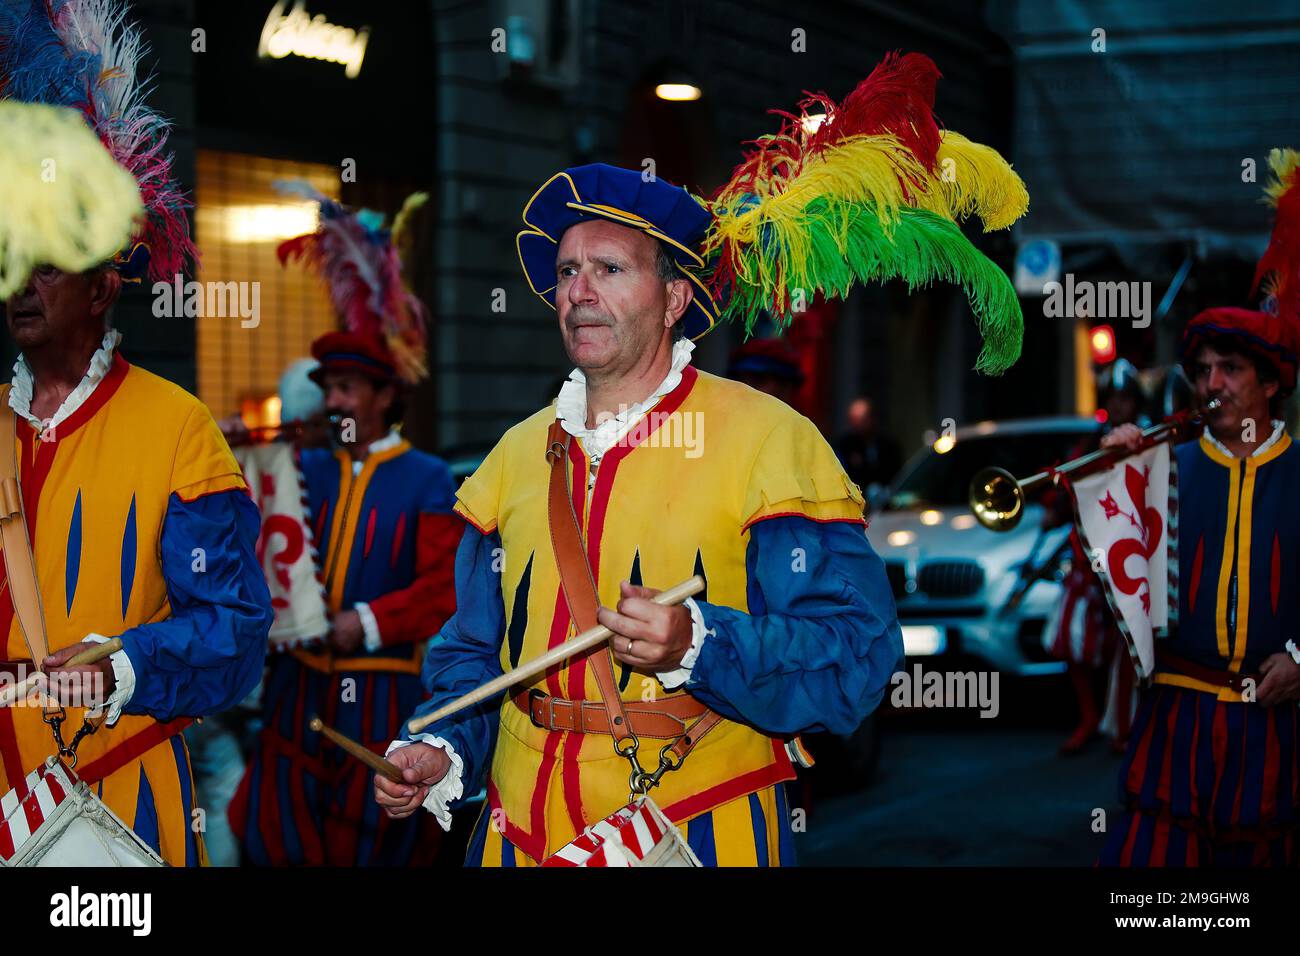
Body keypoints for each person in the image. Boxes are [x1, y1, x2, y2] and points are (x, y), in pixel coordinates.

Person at [0, 0, 272, 867]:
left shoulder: (180, 428)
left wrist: (123, 663)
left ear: (103, 286)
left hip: (111, 805)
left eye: (47, 263)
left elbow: (235, 634)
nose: (20, 283)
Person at [230, 190, 462, 866]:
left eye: (348, 389)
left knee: (373, 846)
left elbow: (441, 589)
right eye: (328, 388)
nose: (333, 401)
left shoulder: (426, 477)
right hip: (294, 690)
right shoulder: (302, 466)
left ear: (387, 396)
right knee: (281, 837)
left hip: (382, 695)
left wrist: (359, 621)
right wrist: (240, 454)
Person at [1099, 148, 1300, 866]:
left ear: (1270, 384)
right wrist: (1112, 488)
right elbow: (1114, 598)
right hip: (1175, 729)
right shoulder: (1164, 468)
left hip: (1278, 735)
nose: (1211, 384)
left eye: (1231, 369)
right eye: (1202, 370)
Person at [835, 397, 902, 492]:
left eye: (862, 419)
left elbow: (897, 474)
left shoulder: (888, 444)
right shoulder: (845, 446)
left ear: (872, 418)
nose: (857, 425)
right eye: (854, 420)